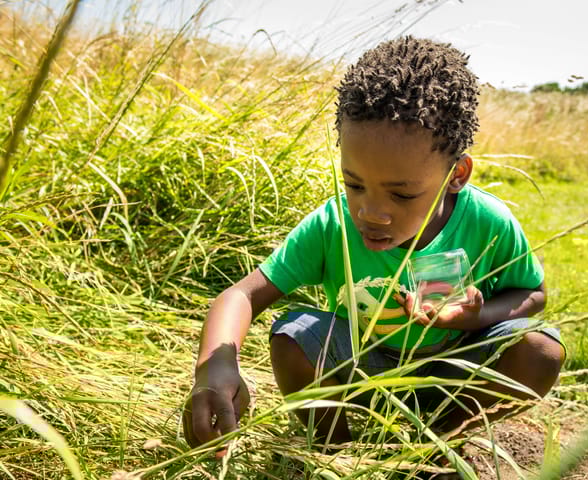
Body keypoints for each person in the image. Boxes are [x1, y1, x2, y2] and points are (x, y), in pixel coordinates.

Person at [182, 36, 566, 456]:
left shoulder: (487, 221)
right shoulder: (332, 225)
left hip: (453, 375)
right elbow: (241, 295)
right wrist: (214, 369)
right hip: (363, 371)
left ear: (457, 174)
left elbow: (533, 294)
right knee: (293, 336)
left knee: (540, 349)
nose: (371, 213)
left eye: (401, 195)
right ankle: (336, 452)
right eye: (354, 184)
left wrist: (475, 318)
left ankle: (437, 446)